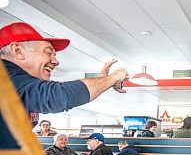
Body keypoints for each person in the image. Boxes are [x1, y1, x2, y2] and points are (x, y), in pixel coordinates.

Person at [0, 22, 128, 127]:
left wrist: (104, 80)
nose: (55, 61)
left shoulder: (20, 85)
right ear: (18, 51)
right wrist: (115, 76)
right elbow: (61, 95)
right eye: (48, 52)